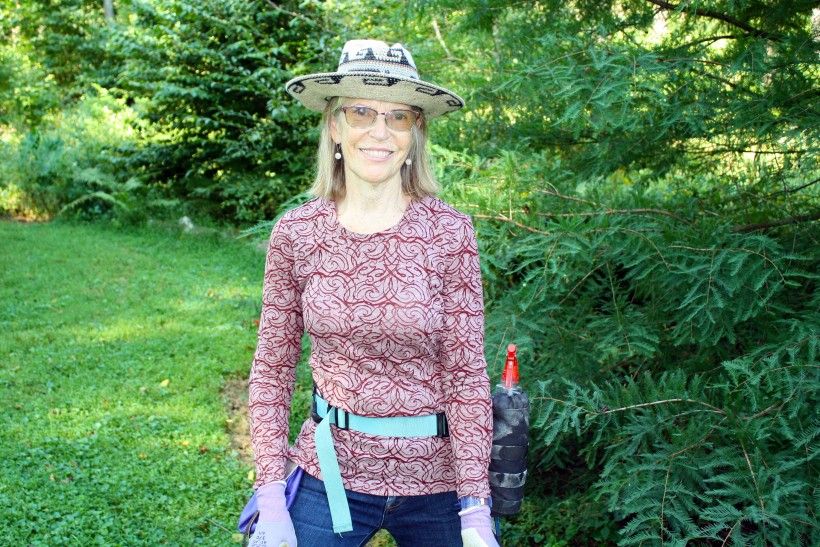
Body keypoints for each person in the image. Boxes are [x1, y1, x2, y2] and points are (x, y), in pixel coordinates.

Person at [246, 39, 499, 547]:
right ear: (335, 126)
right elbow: (272, 369)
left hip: (439, 482)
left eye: (398, 116)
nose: (379, 131)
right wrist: (272, 497)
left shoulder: (449, 232)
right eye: (360, 112)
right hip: (329, 473)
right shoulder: (298, 233)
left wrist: (475, 508)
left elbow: (467, 374)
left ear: (415, 132)